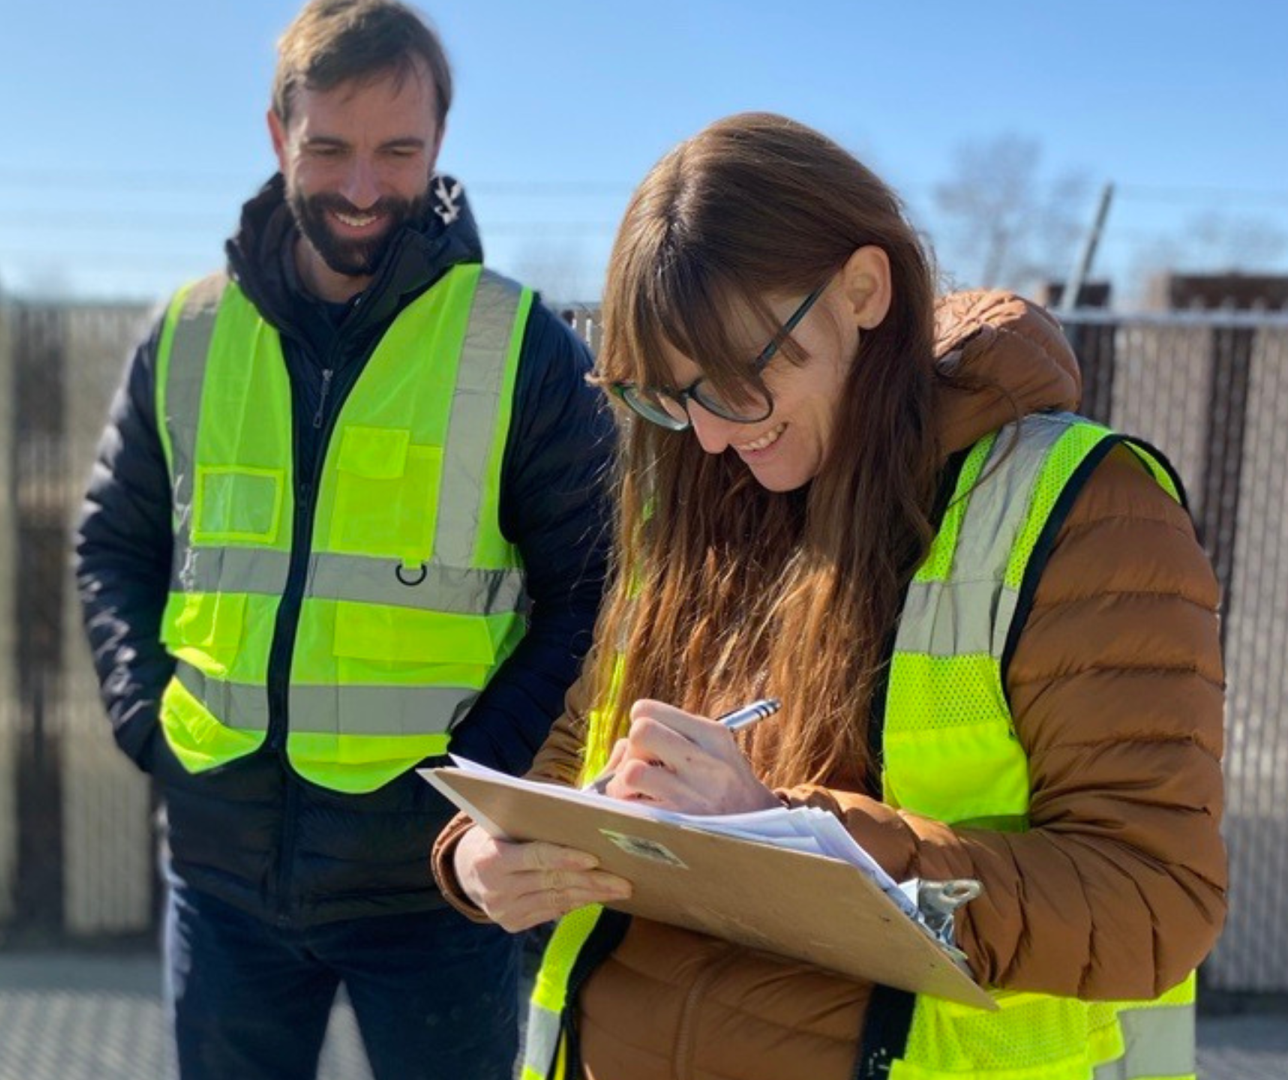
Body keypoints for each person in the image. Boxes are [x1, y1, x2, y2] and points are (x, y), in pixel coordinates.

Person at [436, 112, 1226, 1080]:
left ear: (863, 290)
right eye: (670, 397)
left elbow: (1155, 899)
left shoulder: (1081, 509)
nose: (713, 436)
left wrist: (809, 843)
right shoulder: (700, 493)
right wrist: (483, 858)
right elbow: (578, 757)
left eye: (737, 380)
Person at [74, 2, 611, 1076]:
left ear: (439, 146)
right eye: (329, 149)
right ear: (278, 136)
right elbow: (114, 546)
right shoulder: (185, 336)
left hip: (437, 896)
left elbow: (596, 595)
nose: (363, 189)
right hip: (220, 880)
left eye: (397, 151)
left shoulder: (522, 348)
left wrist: (476, 786)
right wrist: (149, 724)